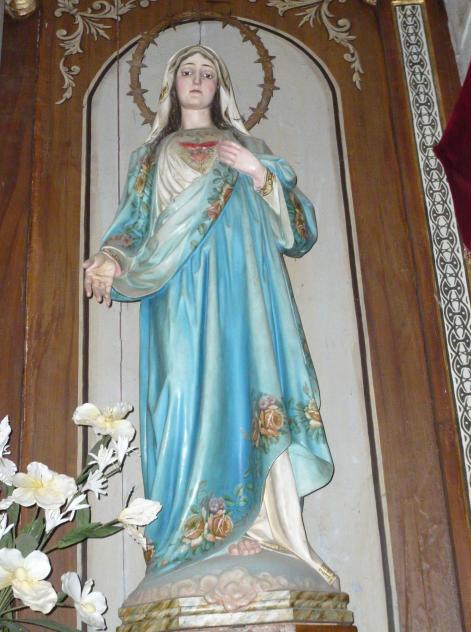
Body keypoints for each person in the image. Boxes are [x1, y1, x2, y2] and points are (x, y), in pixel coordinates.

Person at [84, 44, 338, 589]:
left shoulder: (248, 147)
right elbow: (132, 224)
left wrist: (258, 173)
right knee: (180, 399)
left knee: (247, 388)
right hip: (177, 296)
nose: (196, 80)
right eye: (186, 72)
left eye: (207, 73)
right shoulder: (150, 156)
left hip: (244, 295)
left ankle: (261, 528)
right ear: (171, 85)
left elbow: (298, 232)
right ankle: (185, 533)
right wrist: (108, 258)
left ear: (220, 87)